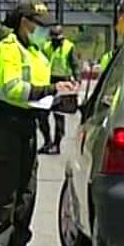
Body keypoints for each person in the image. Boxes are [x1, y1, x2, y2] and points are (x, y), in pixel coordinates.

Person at [0, 1, 77, 246]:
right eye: (39, 24)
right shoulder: (7, 50)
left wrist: (59, 95)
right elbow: (13, 89)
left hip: (26, 121)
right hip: (3, 123)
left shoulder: (36, 51)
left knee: (27, 190)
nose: (45, 30)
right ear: (24, 23)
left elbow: (38, 92)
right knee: (4, 190)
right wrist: (49, 89)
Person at [37, 22, 79, 155]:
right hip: (48, 82)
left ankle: (57, 144)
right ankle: (47, 141)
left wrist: (77, 81)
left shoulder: (69, 47)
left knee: (59, 116)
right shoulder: (46, 47)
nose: (56, 42)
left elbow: (75, 64)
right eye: (54, 39)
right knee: (42, 114)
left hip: (64, 82)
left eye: (58, 39)